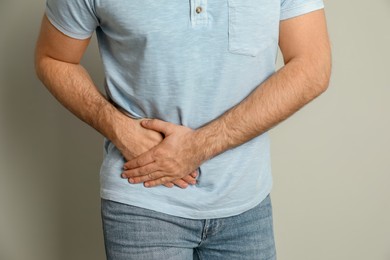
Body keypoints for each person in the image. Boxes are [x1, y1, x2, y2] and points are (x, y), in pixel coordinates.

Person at [35, 0, 331, 259]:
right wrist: (119, 128)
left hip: (246, 205)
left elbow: (312, 66)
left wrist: (197, 147)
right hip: (143, 199)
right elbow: (53, 58)